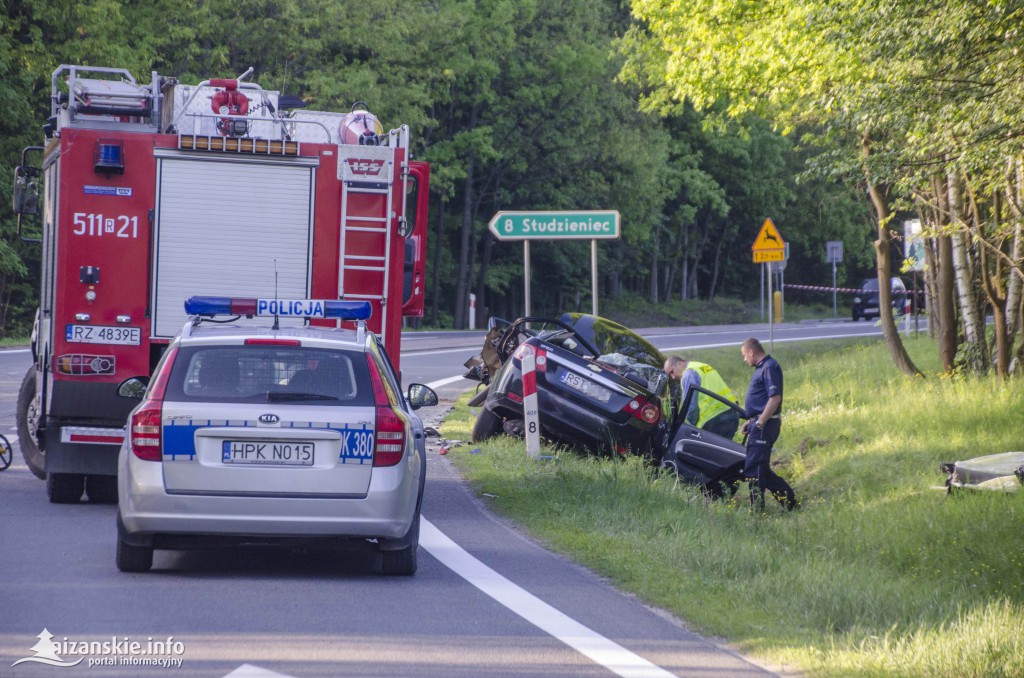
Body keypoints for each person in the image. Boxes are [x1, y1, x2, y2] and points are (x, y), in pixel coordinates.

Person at [739, 338, 798, 511]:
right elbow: (762, 400)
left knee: (754, 468)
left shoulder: (769, 367)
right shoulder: (762, 368)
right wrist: (751, 422)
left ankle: (756, 510)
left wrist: (760, 422)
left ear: (751, 352)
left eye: (744, 355)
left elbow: (775, 398)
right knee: (762, 469)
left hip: (765, 426)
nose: (744, 359)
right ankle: (790, 503)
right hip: (759, 424)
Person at [663, 355, 740, 439]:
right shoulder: (701, 366)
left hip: (714, 419)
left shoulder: (688, 375)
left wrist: (689, 427)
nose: (673, 377)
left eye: (672, 372)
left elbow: (691, 407)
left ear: (679, 364)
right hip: (732, 414)